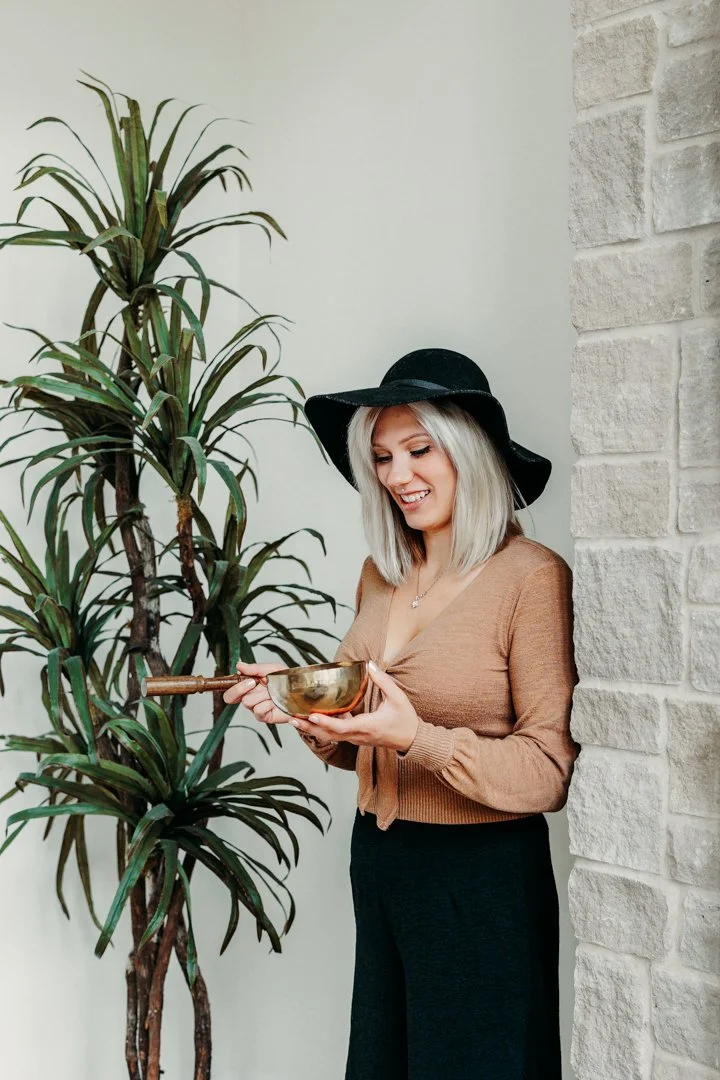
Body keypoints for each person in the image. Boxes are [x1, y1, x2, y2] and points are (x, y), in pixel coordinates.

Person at [223, 348, 578, 1080]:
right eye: (382, 457)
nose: (397, 476)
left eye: (418, 450)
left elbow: (547, 772)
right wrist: (310, 716)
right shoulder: (381, 575)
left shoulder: (530, 578)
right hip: (382, 861)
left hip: (479, 879)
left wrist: (418, 738)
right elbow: (365, 731)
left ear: (470, 452)